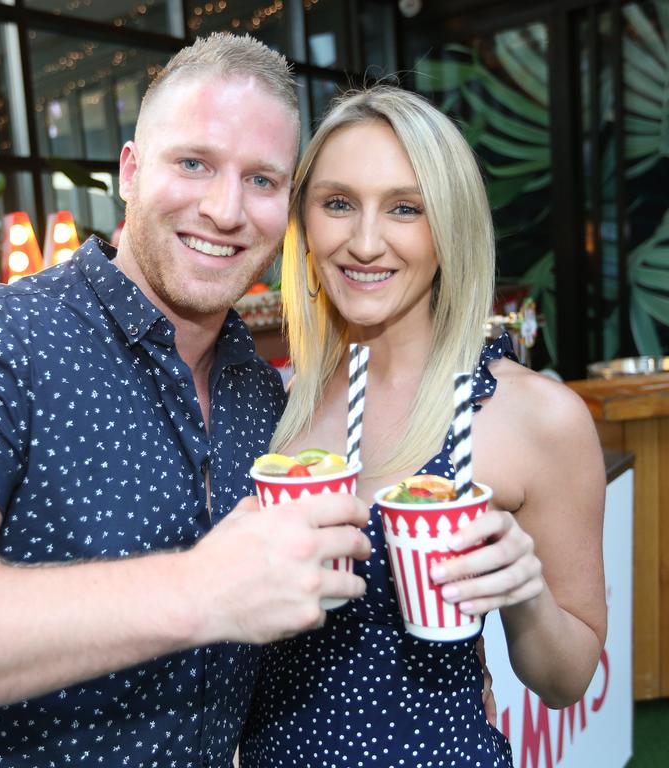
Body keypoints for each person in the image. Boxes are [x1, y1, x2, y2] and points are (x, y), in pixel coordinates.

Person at [0, 34, 373, 768]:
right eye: (194, 164)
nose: (225, 209)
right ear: (129, 170)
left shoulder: (255, 386)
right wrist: (197, 590)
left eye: (262, 181)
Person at [239, 86, 608, 767]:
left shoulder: (533, 416)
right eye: (338, 203)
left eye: (406, 208)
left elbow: (569, 678)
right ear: (306, 221)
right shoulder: (271, 406)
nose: (366, 241)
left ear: (450, 226)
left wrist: (524, 590)